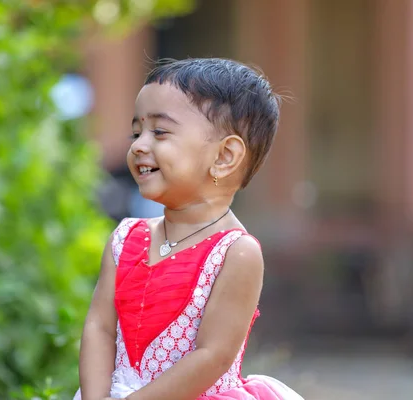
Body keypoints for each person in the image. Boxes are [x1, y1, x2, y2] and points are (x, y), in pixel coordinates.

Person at [75, 58, 304, 400]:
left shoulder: (235, 253)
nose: (138, 146)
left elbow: (212, 355)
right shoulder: (125, 238)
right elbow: (100, 327)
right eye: (136, 132)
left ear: (224, 156)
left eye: (160, 132)